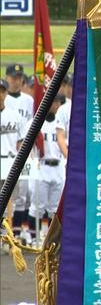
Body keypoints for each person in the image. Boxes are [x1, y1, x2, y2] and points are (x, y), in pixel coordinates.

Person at [27, 94, 67, 244]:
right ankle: (33, 238)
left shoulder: (61, 124)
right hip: (41, 166)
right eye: (52, 101)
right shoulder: (36, 122)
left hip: (58, 167)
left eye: (57, 101)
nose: (54, 104)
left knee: (54, 208)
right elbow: (27, 145)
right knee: (38, 205)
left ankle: (51, 241)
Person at [4, 64, 34, 243]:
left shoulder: (28, 100)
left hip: (22, 149)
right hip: (6, 149)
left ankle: (15, 232)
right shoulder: (4, 98)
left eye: (19, 77)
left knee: (22, 193)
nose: (16, 80)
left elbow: (30, 125)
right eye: (13, 77)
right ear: (7, 78)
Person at [0, 79, 27, 234]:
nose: (0, 94)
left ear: (5, 93)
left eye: (2, 91)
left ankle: (10, 235)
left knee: (12, 201)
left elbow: (22, 142)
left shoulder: (15, 115)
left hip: (10, 162)